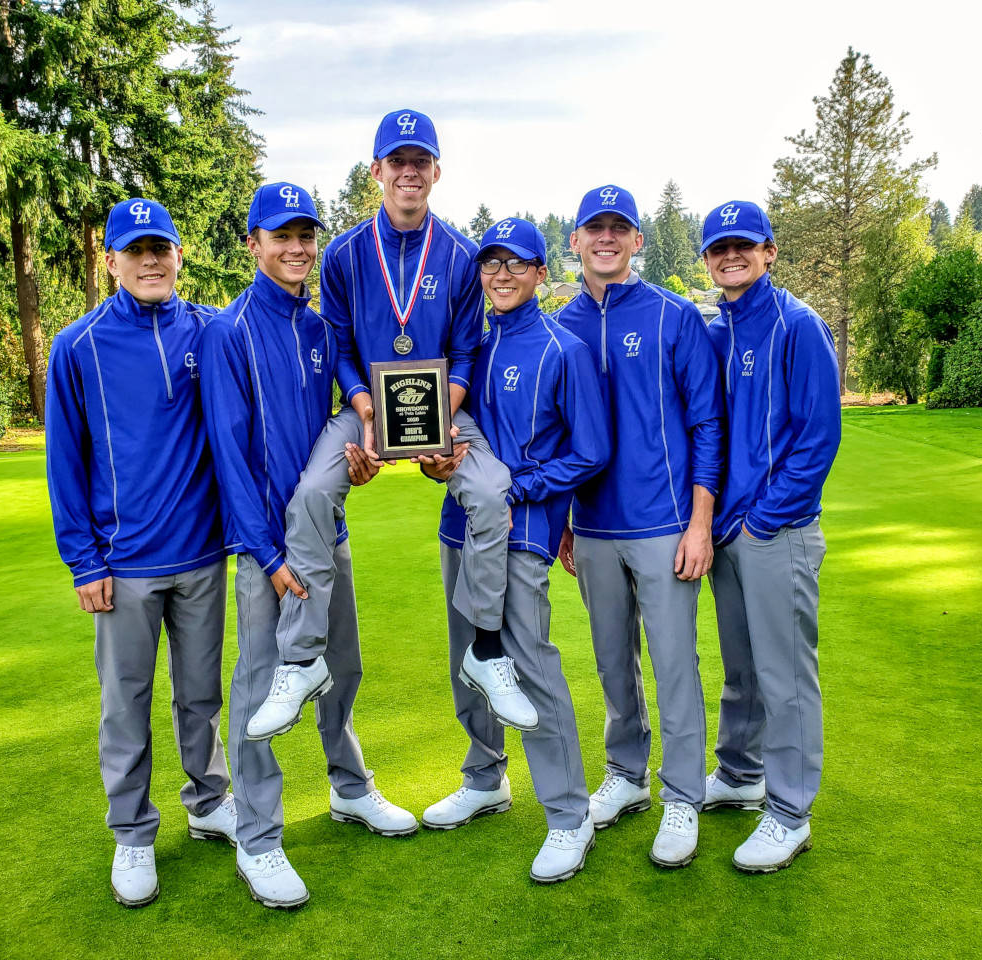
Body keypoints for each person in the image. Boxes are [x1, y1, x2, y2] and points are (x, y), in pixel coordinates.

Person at [246, 109, 531, 741]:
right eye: (396, 162)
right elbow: (342, 345)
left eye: (419, 161)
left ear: (436, 171)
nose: (408, 172)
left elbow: (465, 349)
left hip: (445, 408)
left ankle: (485, 649)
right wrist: (367, 409)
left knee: (489, 493)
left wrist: (440, 419)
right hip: (365, 409)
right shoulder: (345, 252)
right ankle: (302, 659)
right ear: (376, 171)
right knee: (314, 494)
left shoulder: (459, 254)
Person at [199, 183, 418, 909]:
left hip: (328, 538)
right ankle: (258, 839)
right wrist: (267, 555)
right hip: (269, 550)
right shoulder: (229, 332)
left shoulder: (323, 332)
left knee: (342, 670)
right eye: (280, 236)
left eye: (305, 236)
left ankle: (349, 789)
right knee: (262, 690)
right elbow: (230, 454)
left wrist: (359, 463)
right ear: (253, 244)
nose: (296, 248)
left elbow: (335, 440)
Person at [45, 198, 235, 909]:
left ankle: (209, 802)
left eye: (162, 248)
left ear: (180, 255)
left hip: (202, 555)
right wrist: (84, 561)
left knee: (201, 694)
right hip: (122, 565)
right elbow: (66, 461)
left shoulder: (212, 331)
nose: (151, 260)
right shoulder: (78, 345)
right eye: (136, 250)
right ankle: (131, 833)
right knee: (124, 702)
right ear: (112, 260)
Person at [424, 218, 608, 883]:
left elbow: (590, 451)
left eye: (517, 264)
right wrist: (435, 464)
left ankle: (568, 814)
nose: (501, 275)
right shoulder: (465, 346)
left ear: (538, 273)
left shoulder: (564, 348)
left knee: (528, 666)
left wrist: (517, 489)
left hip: (525, 534)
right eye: (491, 263)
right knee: (468, 663)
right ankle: (484, 779)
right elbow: (443, 441)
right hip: (461, 528)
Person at [555, 185, 724, 868]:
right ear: (574, 241)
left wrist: (701, 524)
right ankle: (626, 776)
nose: (606, 238)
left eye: (618, 228)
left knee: (674, 663)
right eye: (594, 228)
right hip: (592, 527)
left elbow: (706, 424)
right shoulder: (559, 325)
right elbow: (553, 434)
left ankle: (681, 794)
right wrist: (561, 522)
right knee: (611, 661)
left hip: (666, 524)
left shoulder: (674, 316)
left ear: (637, 241)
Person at [698, 200, 840, 872]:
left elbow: (817, 439)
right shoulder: (718, 329)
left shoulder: (799, 326)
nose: (732, 256)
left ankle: (789, 812)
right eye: (719, 248)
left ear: (769, 251)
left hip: (775, 531)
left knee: (785, 678)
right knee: (743, 670)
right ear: (707, 259)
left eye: (744, 246)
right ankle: (739, 774)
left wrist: (761, 518)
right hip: (729, 529)